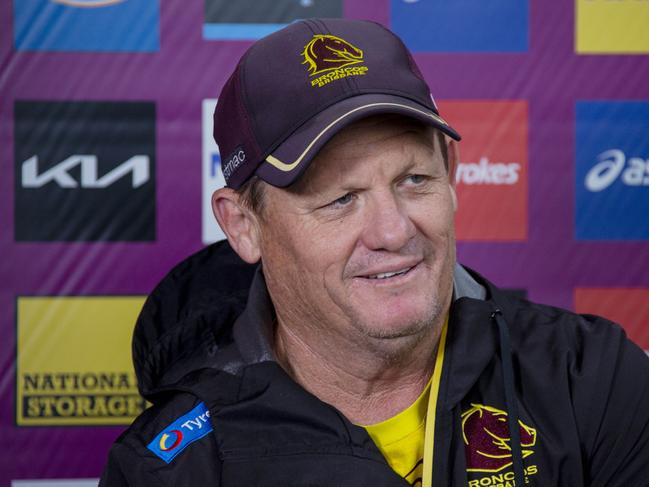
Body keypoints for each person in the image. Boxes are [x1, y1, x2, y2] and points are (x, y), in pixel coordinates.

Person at [99, 18, 649, 487]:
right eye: (341, 199)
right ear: (244, 225)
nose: (392, 231)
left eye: (414, 179)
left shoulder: (590, 378)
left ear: (451, 175)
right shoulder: (170, 469)